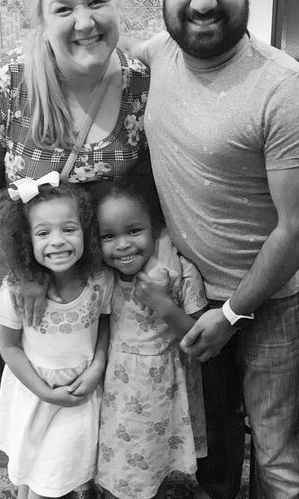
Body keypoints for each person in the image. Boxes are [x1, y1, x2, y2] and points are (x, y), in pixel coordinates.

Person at [125, 0, 299, 497]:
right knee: (210, 446)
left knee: (281, 460)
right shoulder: (157, 56)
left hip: (274, 303)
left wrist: (234, 313)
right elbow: (91, 57)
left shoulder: (287, 89)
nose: (202, 1)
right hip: (193, 296)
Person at [0, 0, 150, 325]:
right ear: (41, 21)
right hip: (31, 291)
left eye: (96, 2)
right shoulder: (4, 81)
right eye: (63, 9)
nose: (85, 22)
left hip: (118, 294)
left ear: (117, 4)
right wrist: (25, 268)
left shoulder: (142, 84)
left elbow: (152, 189)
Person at [0, 179, 113, 499]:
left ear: (87, 232)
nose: (57, 241)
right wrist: (43, 391)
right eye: (43, 233)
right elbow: (8, 346)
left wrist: (97, 366)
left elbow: (104, 323)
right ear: (26, 240)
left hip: (80, 394)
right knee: (35, 472)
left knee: (60, 476)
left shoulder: (100, 280)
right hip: (35, 394)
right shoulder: (15, 289)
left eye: (69, 229)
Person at [91, 176, 208, 499]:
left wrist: (164, 305)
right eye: (108, 236)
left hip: (168, 395)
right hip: (120, 397)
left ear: (155, 228)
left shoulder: (181, 272)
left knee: (158, 467)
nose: (123, 245)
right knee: (121, 473)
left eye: (133, 231)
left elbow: (200, 341)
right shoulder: (103, 278)